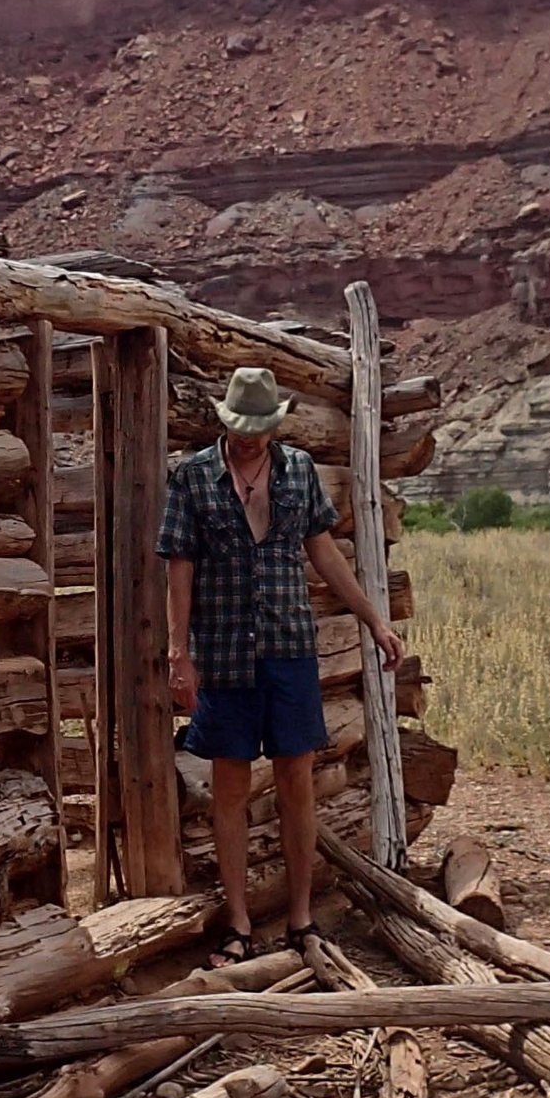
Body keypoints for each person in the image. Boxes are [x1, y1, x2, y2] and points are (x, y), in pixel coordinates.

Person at [160, 365, 405, 963]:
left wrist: (373, 618)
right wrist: (178, 653)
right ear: (225, 422)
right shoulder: (193, 476)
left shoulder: (298, 471)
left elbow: (322, 550)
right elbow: (179, 567)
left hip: (289, 648)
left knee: (297, 784)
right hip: (223, 655)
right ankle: (239, 922)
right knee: (230, 788)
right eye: (240, 427)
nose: (249, 439)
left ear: (274, 424)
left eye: (259, 428)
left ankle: (301, 919)